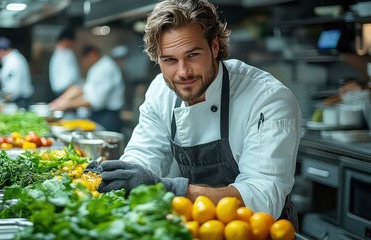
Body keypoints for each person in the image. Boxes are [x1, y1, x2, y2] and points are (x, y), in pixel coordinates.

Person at [96, 0, 302, 230]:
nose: (183, 72)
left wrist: (173, 190)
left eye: (192, 55)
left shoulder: (267, 98)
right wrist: (125, 177)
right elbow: (145, 155)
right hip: (195, 228)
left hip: (258, 231)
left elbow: (262, 197)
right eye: (170, 60)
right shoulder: (160, 91)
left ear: (214, 47)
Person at [49, 45, 125, 132]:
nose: (84, 63)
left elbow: (95, 101)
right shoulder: (99, 66)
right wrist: (62, 99)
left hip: (107, 117)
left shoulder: (105, 68)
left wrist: (67, 104)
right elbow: (85, 89)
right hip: (100, 115)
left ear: (91, 54)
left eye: (84, 60)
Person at [0, 37, 34, 109]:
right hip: (21, 100)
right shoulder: (15, 57)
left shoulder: (12, 61)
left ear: (0, 51)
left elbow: (13, 89)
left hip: (21, 102)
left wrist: (1, 101)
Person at [49, 28, 82, 97]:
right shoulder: (65, 54)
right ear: (67, 40)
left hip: (65, 91)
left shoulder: (60, 53)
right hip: (66, 91)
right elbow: (71, 76)